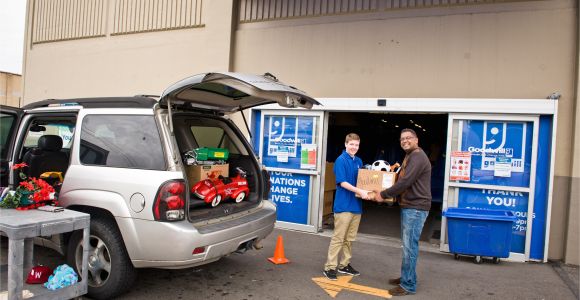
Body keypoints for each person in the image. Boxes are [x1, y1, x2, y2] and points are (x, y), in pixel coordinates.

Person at [374, 128, 431, 296]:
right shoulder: (411, 156)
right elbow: (401, 179)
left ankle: (408, 285)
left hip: (416, 207)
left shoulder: (418, 156)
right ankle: (407, 277)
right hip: (410, 206)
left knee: (409, 248)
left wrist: (383, 195)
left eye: (408, 138)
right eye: (402, 139)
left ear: (416, 140)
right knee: (407, 246)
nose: (405, 141)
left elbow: (405, 182)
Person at [323, 133, 371, 281]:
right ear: (346, 144)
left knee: (349, 239)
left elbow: (362, 180)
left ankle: (344, 265)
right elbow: (342, 182)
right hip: (344, 206)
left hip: (356, 206)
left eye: (356, 145)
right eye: (351, 144)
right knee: (339, 238)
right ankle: (330, 267)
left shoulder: (358, 161)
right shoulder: (340, 160)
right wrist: (361, 191)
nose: (354, 147)